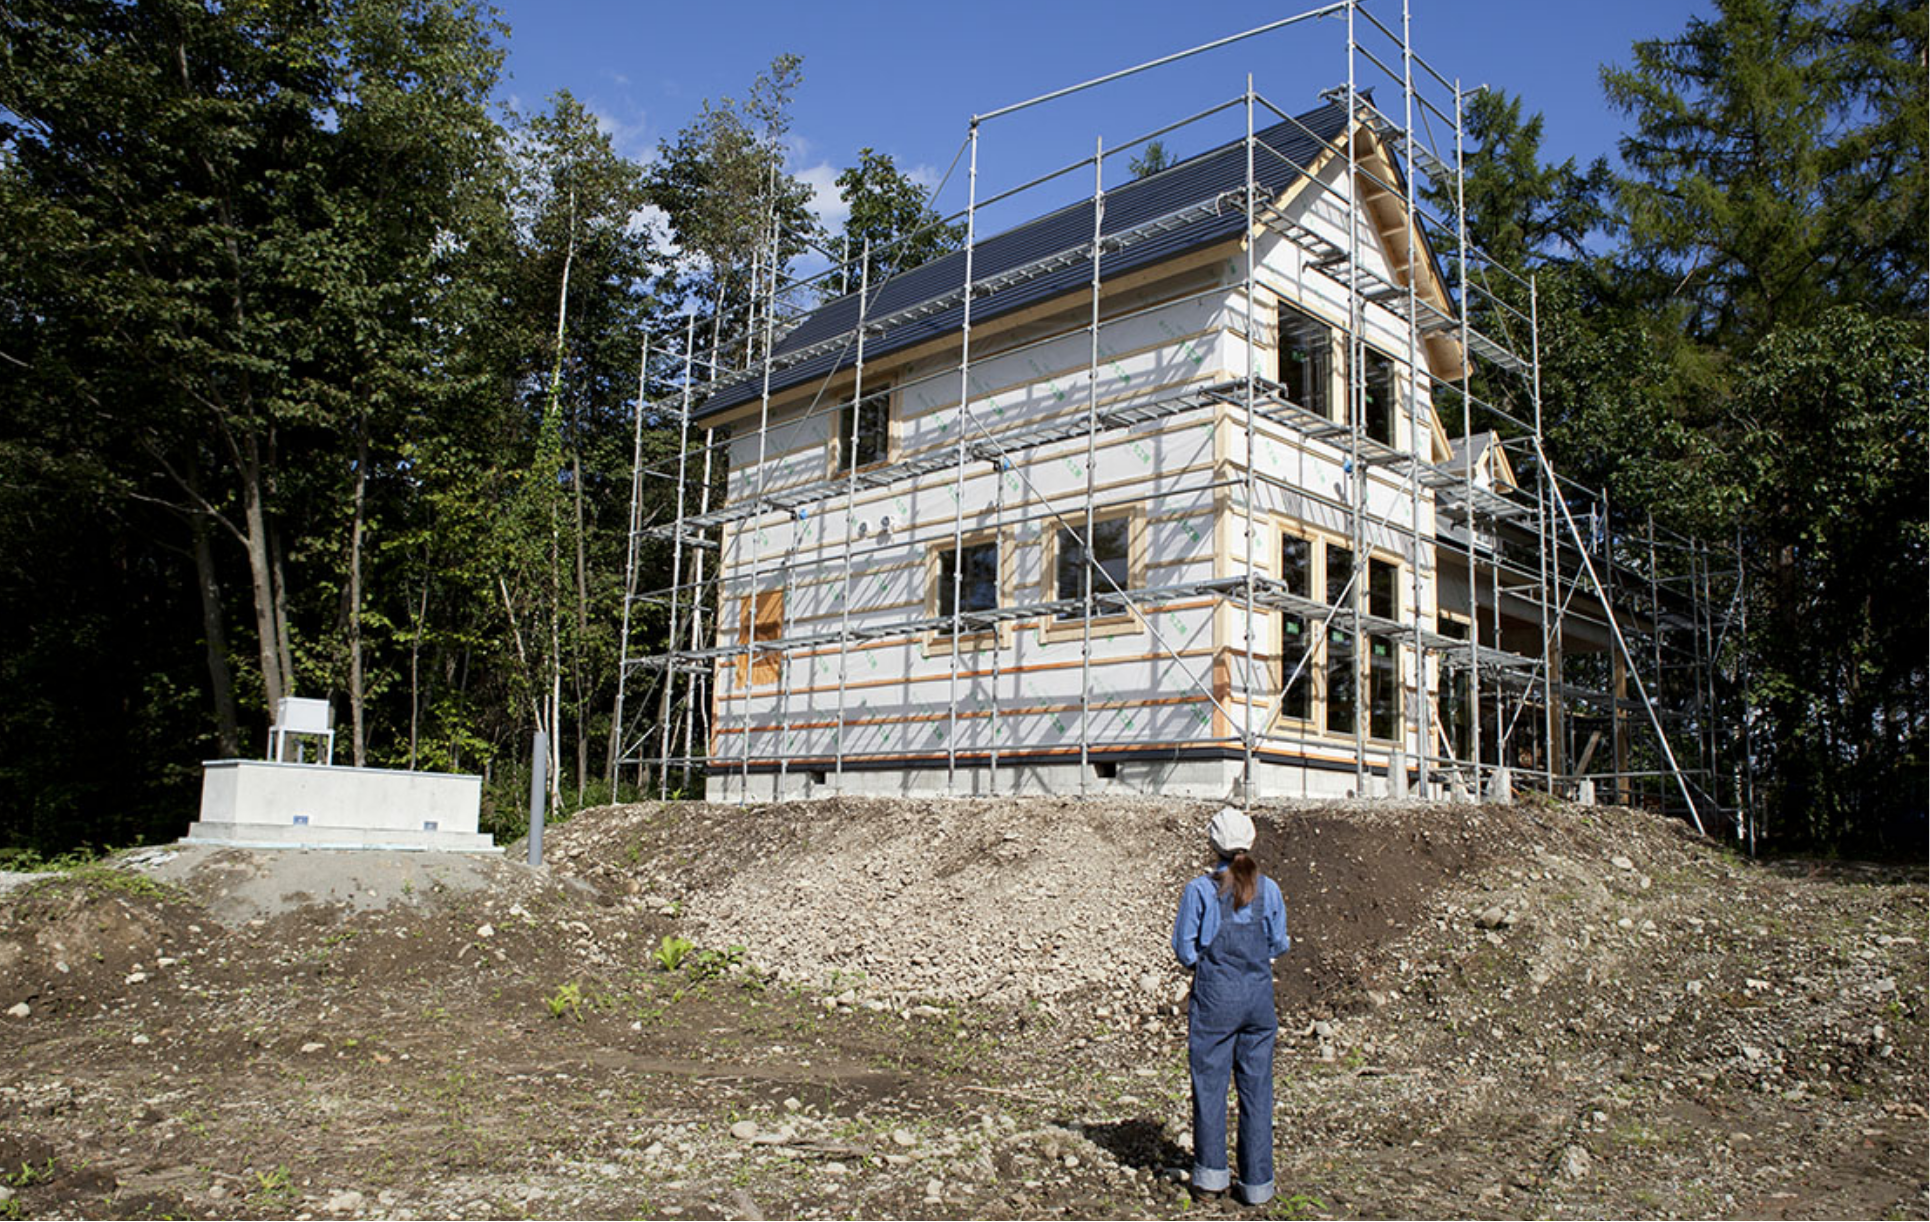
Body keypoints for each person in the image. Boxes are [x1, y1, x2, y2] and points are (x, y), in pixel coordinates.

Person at [1171, 805, 1291, 1206]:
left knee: (1210, 1085)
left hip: (1216, 1000)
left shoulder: (1199, 889)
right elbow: (1278, 943)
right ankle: (1257, 1185)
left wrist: (1207, 967)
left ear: (1212, 843)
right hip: (1258, 998)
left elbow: (1184, 949)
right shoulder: (1269, 889)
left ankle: (1210, 1179)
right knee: (1256, 1089)